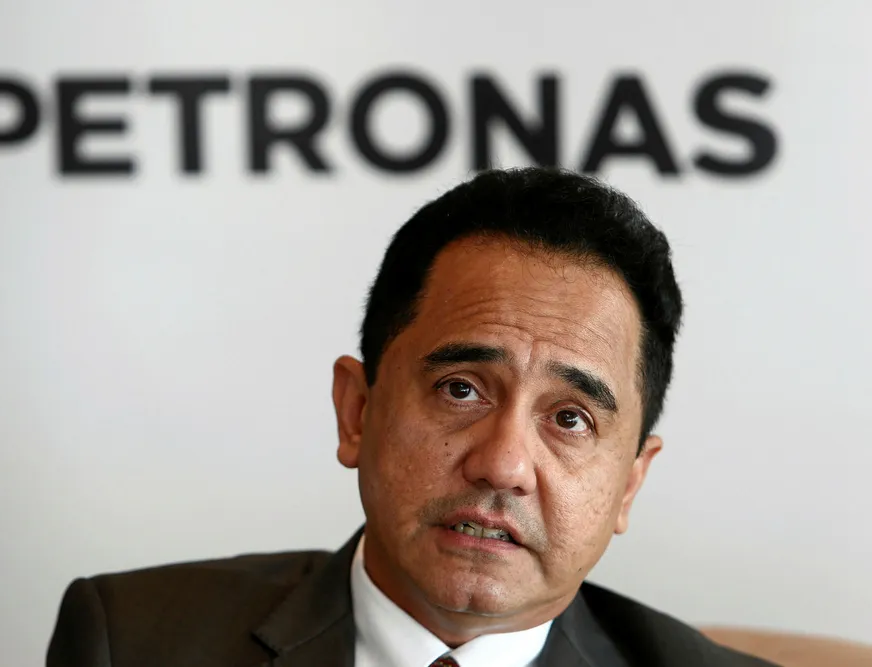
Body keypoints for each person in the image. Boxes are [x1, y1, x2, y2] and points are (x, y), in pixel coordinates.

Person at [47, 167, 777, 667]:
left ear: (629, 485)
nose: (503, 465)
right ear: (357, 411)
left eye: (570, 419)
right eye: (461, 389)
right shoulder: (131, 641)